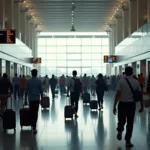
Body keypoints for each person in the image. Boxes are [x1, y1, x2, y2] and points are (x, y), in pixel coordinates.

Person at [113, 66, 144, 148]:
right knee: (130, 123)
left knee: (121, 119)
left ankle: (119, 131)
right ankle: (128, 141)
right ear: (132, 72)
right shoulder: (136, 82)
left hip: (122, 104)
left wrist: (114, 106)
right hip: (131, 105)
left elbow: (118, 94)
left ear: (125, 72)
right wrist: (142, 106)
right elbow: (140, 95)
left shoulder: (121, 81)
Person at [25, 69, 43, 134]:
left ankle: (32, 124)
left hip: (30, 99)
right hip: (36, 99)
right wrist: (42, 99)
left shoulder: (28, 81)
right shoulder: (39, 81)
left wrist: (25, 100)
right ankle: (34, 126)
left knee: (31, 111)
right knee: (35, 112)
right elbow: (41, 91)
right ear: (36, 73)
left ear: (31, 74)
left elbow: (26, 91)